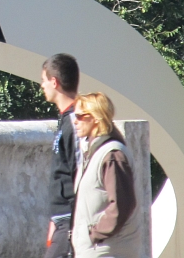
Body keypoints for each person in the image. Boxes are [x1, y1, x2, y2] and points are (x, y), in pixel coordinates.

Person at [71, 92, 139, 258]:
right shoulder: (94, 152)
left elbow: (122, 204)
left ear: (95, 118)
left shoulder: (112, 155)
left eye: (79, 116)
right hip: (96, 250)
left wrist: (95, 234)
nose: (75, 121)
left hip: (108, 250)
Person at [40, 53, 80, 258]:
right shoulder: (65, 119)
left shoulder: (75, 122)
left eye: (44, 80)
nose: (42, 86)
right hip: (61, 219)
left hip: (71, 219)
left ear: (54, 82)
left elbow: (79, 172)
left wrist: (71, 222)